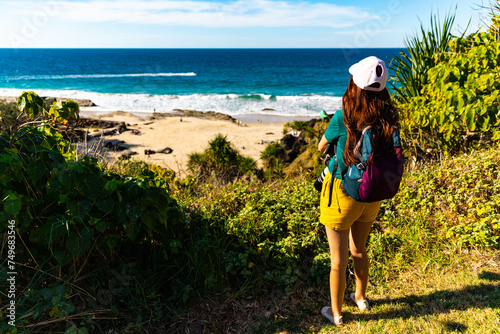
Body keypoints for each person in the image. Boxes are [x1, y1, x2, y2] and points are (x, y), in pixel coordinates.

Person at [318, 56, 399, 326]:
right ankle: (361, 298)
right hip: (371, 193)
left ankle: (337, 314)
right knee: (360, 250)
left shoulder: (343, 117)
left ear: (354, 85)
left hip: (343, 194)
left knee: (337, 261)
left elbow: (321, 147)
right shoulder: (388, 118)